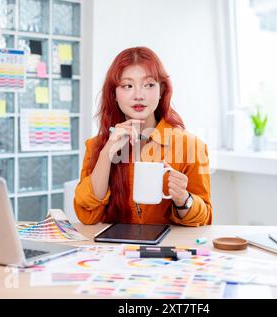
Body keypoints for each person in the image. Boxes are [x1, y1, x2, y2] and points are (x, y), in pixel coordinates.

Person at [74, 47, 212, 226]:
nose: (139, 96)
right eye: (128, 86)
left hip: (166, 249)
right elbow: (87, 214)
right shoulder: (97, 146)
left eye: (149, 85)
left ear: (161, 90)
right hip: (115, 250)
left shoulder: (191, 146)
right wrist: (106, 154)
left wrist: (183, 200)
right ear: (114, 94)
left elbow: (205, 219)